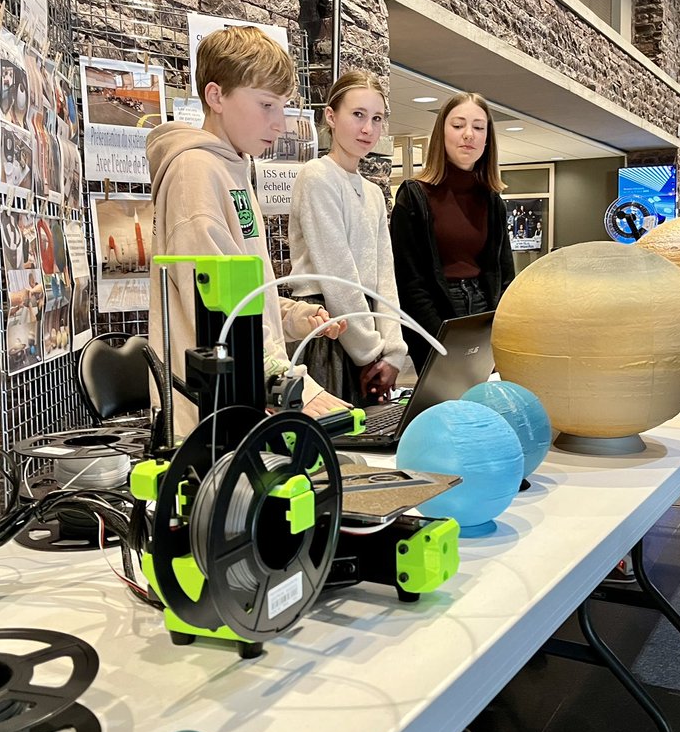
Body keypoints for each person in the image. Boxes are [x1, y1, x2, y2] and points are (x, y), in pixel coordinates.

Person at [146, 25, 347, 436]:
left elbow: (240, 291)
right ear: (216, 96)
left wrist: (291, 315)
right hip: (208, 417)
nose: (280, 124)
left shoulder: (231, 166)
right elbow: (217, 311)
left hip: (237, 400)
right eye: (267, 105)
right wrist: (291, 385)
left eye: (282, 107)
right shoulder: (195, 170)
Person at [288, 70, 407, 406]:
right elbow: (337, 278)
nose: (368, 128)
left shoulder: (372, 193)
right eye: (358, 115)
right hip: (327, 329)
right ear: (331, 116)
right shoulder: (317, 176)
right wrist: (370, 353)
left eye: (376, 118)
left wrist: (393, 353)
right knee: (334, 431)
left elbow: (385, 279)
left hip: (364, 330)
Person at [389, 92, 514, 372]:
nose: (468, 134)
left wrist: (500, 328)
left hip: (483, 313)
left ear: (487, 139)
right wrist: (439, 341)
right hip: (434, 315)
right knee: (444, 395)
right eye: (458, 125)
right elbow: (409, 283)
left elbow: (504, 275)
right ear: (442, 133)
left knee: (484, 394)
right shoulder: (414, 197)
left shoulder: (492, 201)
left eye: (478, 127)